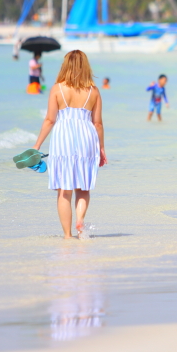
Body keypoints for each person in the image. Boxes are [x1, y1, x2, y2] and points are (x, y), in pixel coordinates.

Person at [31, 50, 106, 239]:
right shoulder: (93, 91)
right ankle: (80, 219)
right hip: (86, 137)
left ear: (65, 66)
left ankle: (67, 235)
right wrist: (101, 148)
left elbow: (49, 120)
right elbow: (97, 123)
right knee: (83, 187)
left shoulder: (57, 89)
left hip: (63, 138)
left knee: (64, 189)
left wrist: (37, 146)